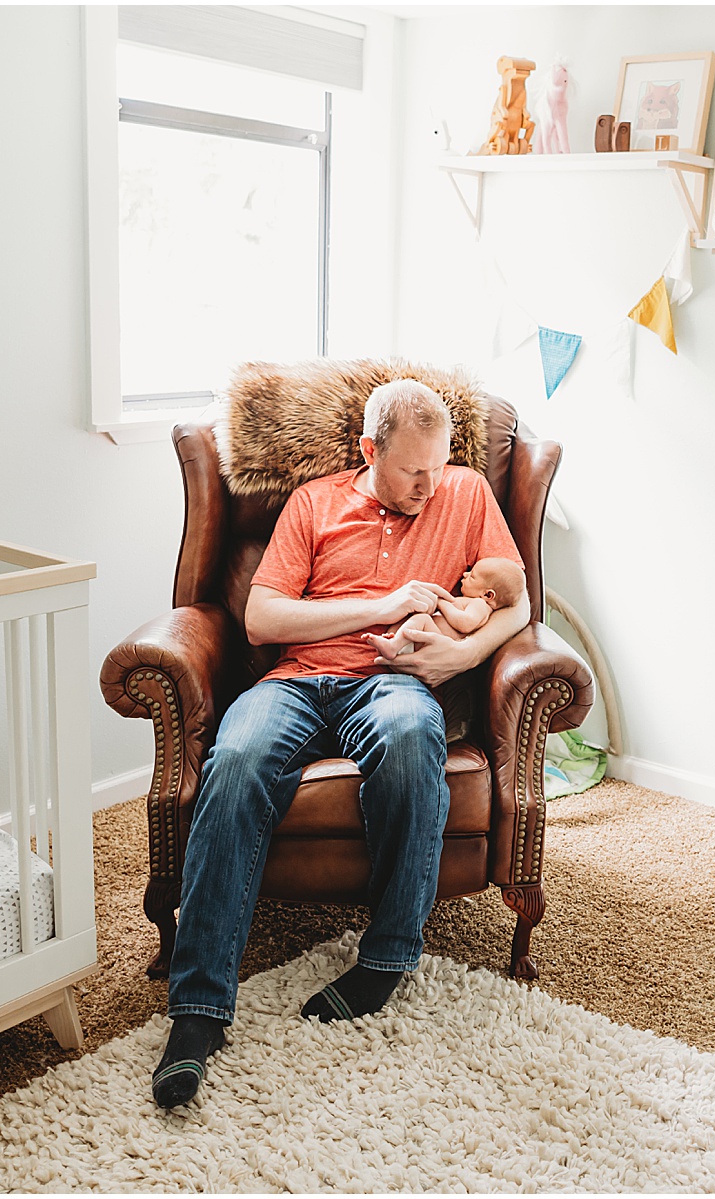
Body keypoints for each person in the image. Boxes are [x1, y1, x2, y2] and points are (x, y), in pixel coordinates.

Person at [152, 379, 529, 1109]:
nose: (430, 483)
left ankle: (386, 957)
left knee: (413, 732)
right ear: (369, 450)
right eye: (412, 470)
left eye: (441, 463)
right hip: (296, 680)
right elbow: (261, 618)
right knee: (233, 761)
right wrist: (384, 605)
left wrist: (461, 655)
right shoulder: (315, 501)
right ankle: (197, 1012)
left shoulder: (467, 492)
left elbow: (519, 603)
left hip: (392, 681)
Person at [362, 557, 525, 661]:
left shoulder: (480, 605)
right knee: (416, 618)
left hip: (435, 643)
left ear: (488, 595)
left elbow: (465, 624)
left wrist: (442, 602)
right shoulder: (473, 601)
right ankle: (394, 641)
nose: (465, 574)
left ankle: (392, 646)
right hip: (425, 640)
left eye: (472, 576)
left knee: (423, 619)